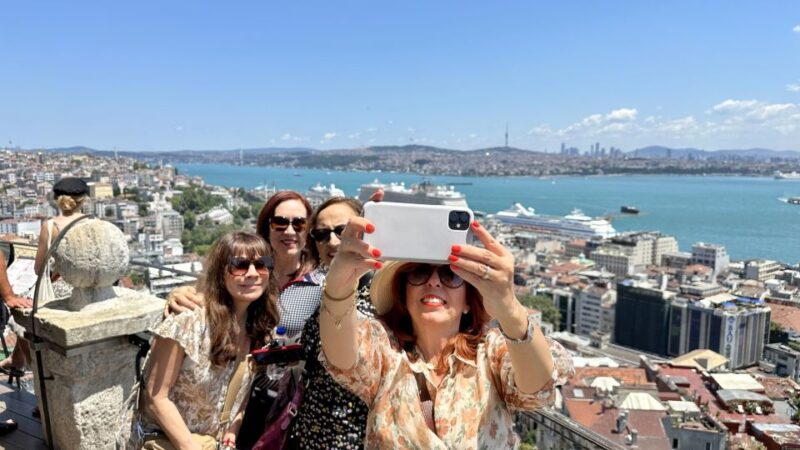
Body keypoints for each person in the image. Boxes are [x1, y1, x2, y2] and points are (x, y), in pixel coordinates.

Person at [319, 218, 575, 448]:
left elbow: (538, 384)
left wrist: (509, 308)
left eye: (450, 275)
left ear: (467, 302)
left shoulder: (491, 353)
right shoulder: (385, 351)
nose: (433, 282)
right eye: (419, 273)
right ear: (403, 294)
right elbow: (342, 356)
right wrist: (339, 286)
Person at [141, 231, 279, 450]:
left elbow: (241, 389)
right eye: (240, 265)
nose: (252, 273)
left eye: (262, 264)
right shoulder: (188, 320)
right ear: (220, 272)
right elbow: (156, 398)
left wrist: (232, 427)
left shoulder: (259, 328)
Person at [285, 196, 375, 449]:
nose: (333, 242)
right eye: (321, 234)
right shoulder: (310, 289)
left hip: (369, 432)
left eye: (344, 231)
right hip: (314, 427)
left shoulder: (391, 291)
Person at [168, 191, 317, 337]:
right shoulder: (245, 269)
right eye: (280, 223)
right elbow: (207, 293)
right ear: (267, 229)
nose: (290, 231)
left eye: (300, 223)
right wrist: (179, 294)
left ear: (309, 229)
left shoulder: (319, 281)